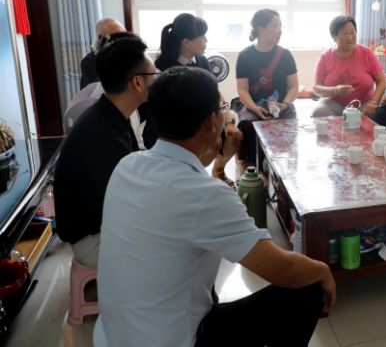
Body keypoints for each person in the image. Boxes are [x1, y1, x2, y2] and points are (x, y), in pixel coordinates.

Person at [93, 67, 334, 347]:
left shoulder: (127, 165)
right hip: (175, 340)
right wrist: (322, 270)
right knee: (308, 286)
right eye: (222, 109)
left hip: (112, 336)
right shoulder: (206, 196)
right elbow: (282, 269)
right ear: (211, 122)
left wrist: (219, 163)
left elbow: (186, 185)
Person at [54, 35, 156, 267]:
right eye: (154, 74)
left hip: (104, 223)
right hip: (93, 239)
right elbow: (127, 204)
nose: (157, 79)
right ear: (137, 82)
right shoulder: (101, 134)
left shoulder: (111, 113)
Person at [235, 9, 298, 168]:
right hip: (254, 105)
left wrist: (285, 104)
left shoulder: (285, 55)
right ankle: (252, 168)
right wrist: (254, 108)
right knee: (248, 126)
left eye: (280, 26)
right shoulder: (244, 56)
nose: (279, 30)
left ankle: (282, 167)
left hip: (282, 106)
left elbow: (293, 86)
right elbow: (242, 90)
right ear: (260, 29)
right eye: (275, 26)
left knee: (288, 127)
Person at [312, 15, 386, 117]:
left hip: (363, 103)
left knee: (376, 115)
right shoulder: (325, 57)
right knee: (318, 112)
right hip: (334, 103)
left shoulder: (366, 53)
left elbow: (382, 81)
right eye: (345, 33)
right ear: (334, 36)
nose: (350, 37)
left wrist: (374, 102)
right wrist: (335, 90)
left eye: (352, 32)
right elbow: (316, 88)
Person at [79, 17, 126, 89]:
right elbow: (94, 92)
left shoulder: (134, 55)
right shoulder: (90, 61)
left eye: (125, 35)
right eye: (117, 36)